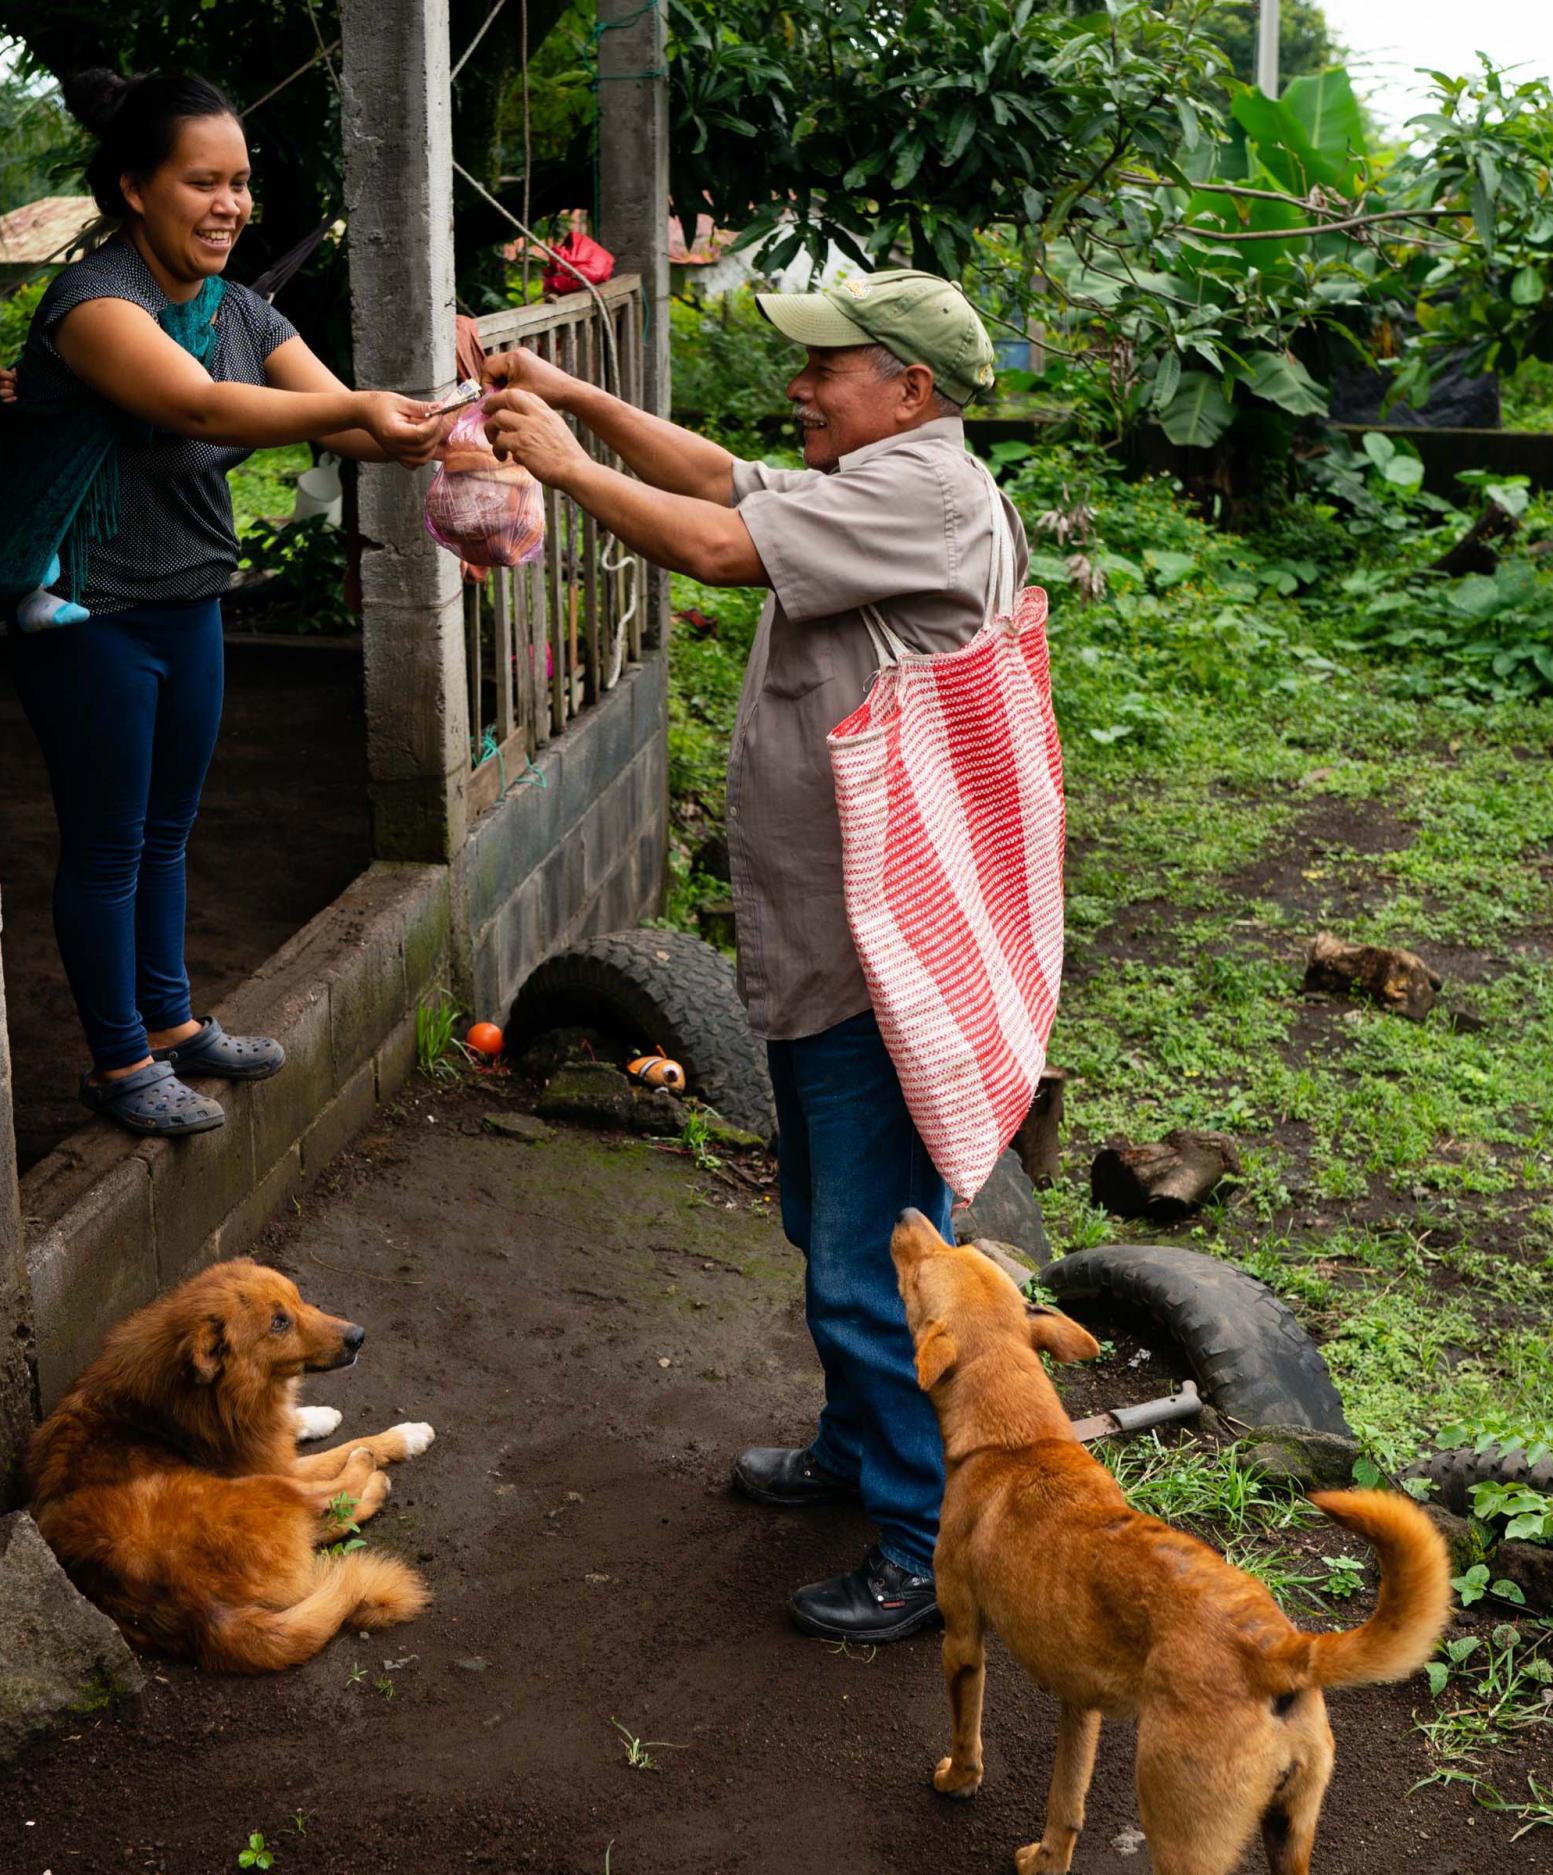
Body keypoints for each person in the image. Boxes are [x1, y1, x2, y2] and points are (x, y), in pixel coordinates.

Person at [481, 271, 1024, 1643]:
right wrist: (575, 400)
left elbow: (719, 545)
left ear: (907, 387)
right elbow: (729, 477)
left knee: (869, 1257)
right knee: (828, 1221)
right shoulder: (884, 472)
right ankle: (862, 1447)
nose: (802, 385)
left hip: (877, 955)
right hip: (829, 936)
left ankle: (923, 1540)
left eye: (828, 367)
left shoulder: (927, 495)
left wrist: (558, 465)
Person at [0, 70, 451, 1138]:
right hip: (86, 616)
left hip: (188, 601)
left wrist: (451, 427)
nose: (230, 204)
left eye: (240, 184)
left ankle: (174, 1028)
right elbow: (196, 402)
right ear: (136, 188)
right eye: (204, 182)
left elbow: (344, 423)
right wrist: (356, 406)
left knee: (168, 831)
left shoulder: (237, 308)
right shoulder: (98, 307)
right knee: (107, 844)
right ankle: (114, 1060)